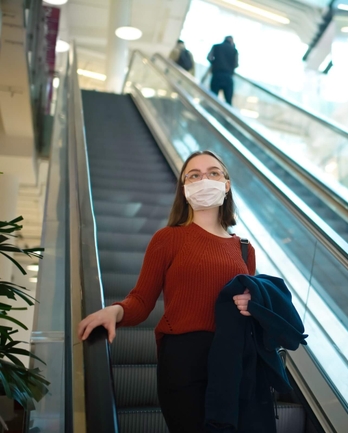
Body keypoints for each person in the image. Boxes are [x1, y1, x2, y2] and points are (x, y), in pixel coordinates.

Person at [77, 150, 256, 433]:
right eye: (194, 175)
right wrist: (115, 310)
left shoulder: (245, 249)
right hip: (183, 358)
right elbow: (141, 299)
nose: (204, 179)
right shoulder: (167, 239)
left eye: (213, 173)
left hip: (232, 359)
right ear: (184, 188)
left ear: (226, 184)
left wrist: (252, 304)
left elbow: (251, 308)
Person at [207, 36, 238, 105]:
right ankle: (226, 115)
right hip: (228, 77)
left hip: (216, 75)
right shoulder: (234, 50)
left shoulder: (216, 46)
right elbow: (236, 64)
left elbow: (209, 57)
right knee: (228, 101)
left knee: (212, 98)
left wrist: (215, 63)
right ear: (231, 41)